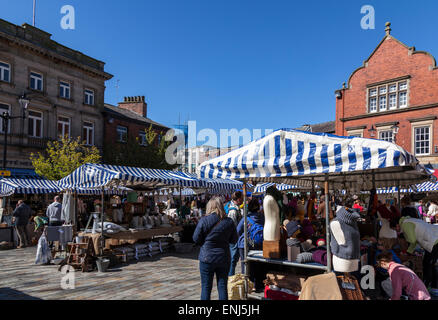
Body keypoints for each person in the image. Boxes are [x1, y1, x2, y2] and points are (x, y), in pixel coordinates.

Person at [192, 197, 238, 300]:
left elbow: (195, 238)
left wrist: (204, 242)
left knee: (206, 287)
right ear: (221, 207)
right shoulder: (229, 222)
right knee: (222, 286)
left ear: (210, 207)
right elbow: (234, 240)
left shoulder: (204, 220)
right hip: (223, 257)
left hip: (207, 257)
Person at [399, 216, 438, 290]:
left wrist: (406, 237)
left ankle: (427, 287)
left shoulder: (405, 224)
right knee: (429, 264)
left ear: (397, 225)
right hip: (432, 241)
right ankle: (433, 286)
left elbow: (412, 240)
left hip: (434, 242)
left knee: (428, 265)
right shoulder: (411, 220)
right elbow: (414, 241)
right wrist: (408, 252)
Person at [236, 198, 264, 274]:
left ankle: (247, 282)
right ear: (258, 207)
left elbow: (238, 230)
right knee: (257, 265)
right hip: (258, 244)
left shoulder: (245, 218)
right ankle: (256, 283)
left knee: (245, 265)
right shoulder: (262, 217)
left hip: (245, 244)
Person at [225, 191, 243, 276]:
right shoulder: (233, 210)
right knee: (233, 259)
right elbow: (232, 226)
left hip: (234, 237)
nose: (243, 199)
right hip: (233, 237)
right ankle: (230, 278)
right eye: (242, 198)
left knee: (233, 259)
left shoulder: (235, 207)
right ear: (239, 199)